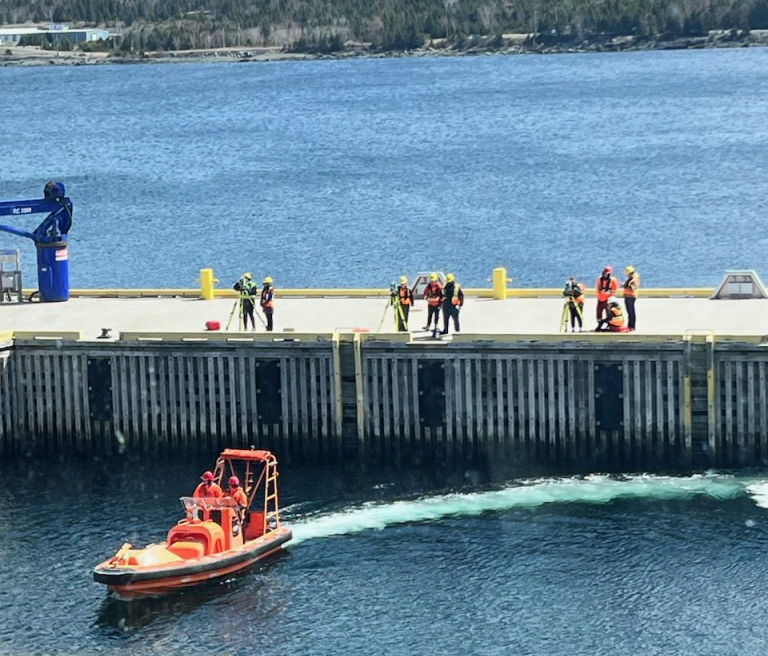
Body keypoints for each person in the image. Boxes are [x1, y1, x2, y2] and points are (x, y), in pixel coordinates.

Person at [623, 266, 640, 331]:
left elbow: (633, 287)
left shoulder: (634, 279)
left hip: (630, 296)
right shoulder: (633, 277)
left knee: (631, 312)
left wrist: (627, 286)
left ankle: (632, 326)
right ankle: (630, 325)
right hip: (628, 296)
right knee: (629, 312)